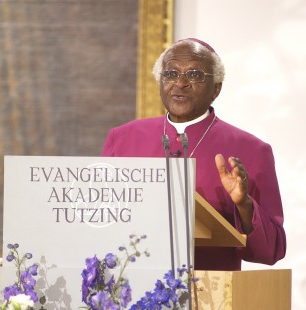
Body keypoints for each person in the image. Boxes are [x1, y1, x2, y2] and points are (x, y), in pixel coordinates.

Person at [101, 38, 286, 271]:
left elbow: (271, 251)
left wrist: (244, 205)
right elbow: (102, 223)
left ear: (216, 88)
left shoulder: (251, 150)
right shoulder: (122, 140)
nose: (180, 83)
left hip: (211, 296)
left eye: (194, 75)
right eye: (170, 74)